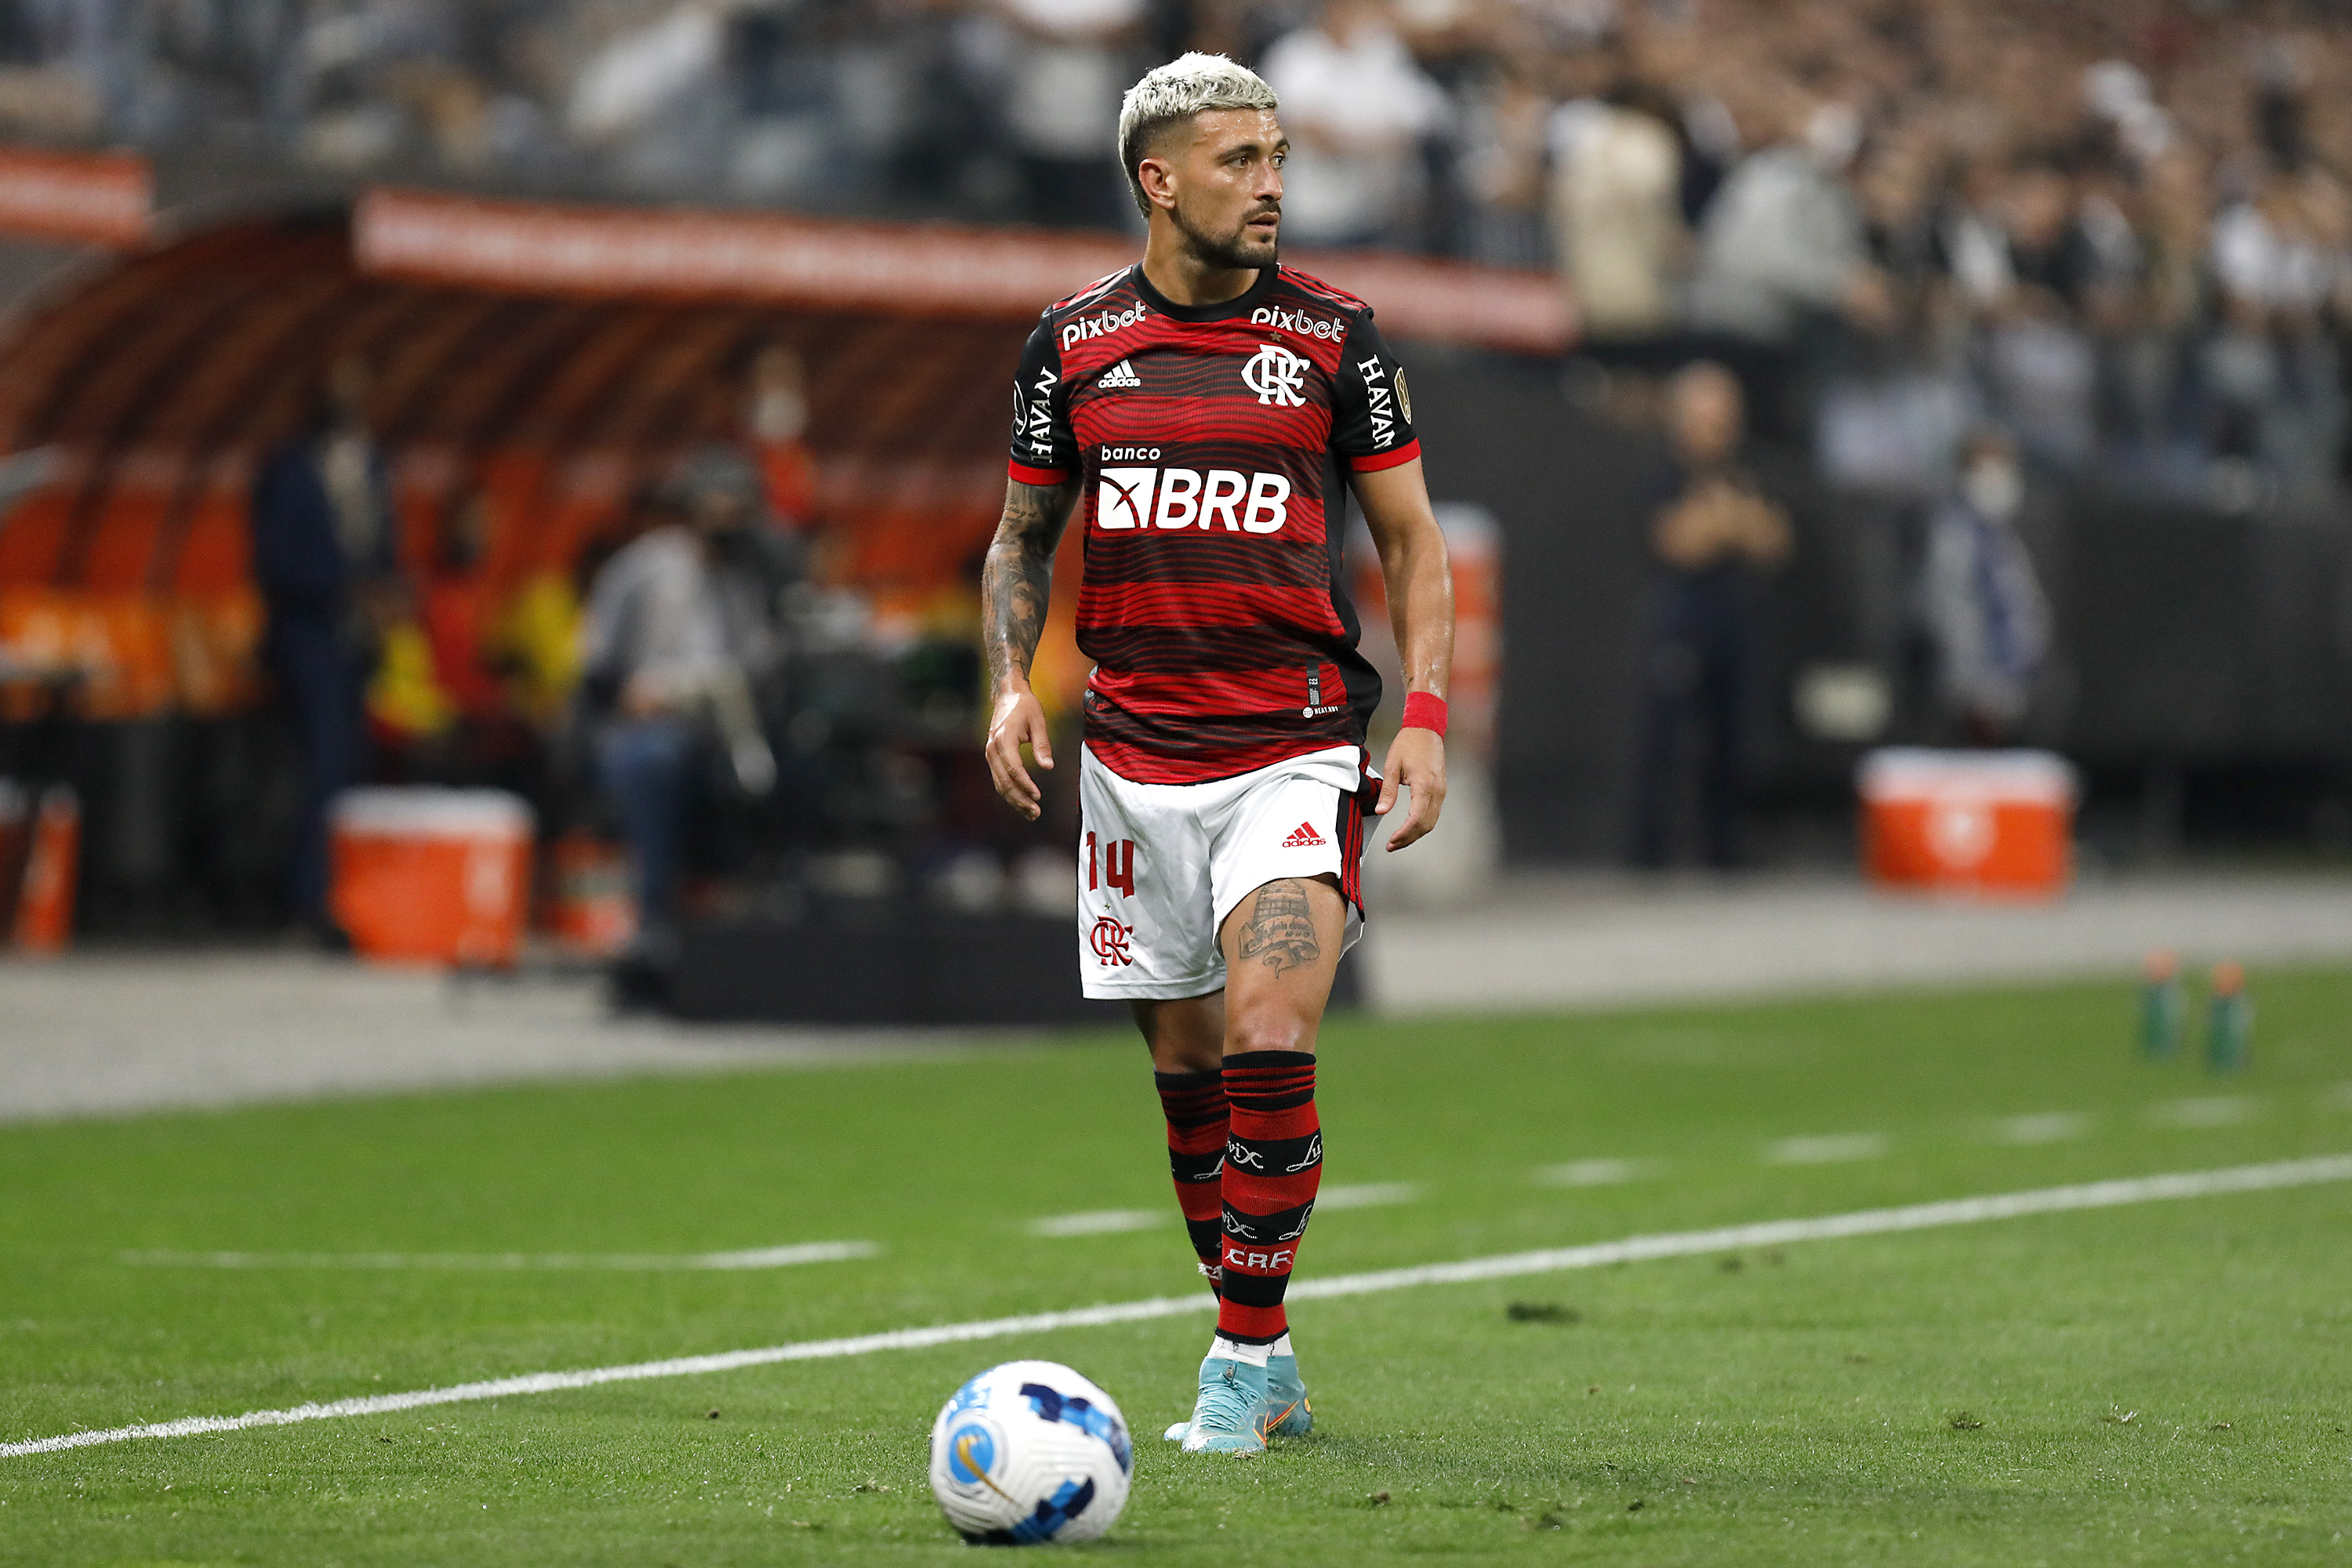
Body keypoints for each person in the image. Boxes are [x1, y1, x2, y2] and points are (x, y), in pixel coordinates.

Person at [980, 52, 1454, 1456]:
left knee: (1267, 1035)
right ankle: (1269, 1344)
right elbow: (1019, 538)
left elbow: (1412, 540)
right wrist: (1009, 686)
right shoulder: (1071, 343)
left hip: (1294, 748)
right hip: (1133, 761)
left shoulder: (1337, 337)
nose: (1271, 185)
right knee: (1188, 1078)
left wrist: (1424, 717)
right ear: (1160, 179)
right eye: (1240, 160)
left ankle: (1236, 1365)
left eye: (1279, 158)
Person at [578, 448, 793, 1001]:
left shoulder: (754, 581)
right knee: (656, 759)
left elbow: (770, 669)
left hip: (732, 730)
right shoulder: (644, 568)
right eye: (718, 502)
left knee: (796, 764)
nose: (727, 516)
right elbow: (596, 669)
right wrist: (634, 694)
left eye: (739, 505)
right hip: (649, 730)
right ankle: (653, 931)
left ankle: (770, 931)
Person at [252, 354, 400, 944]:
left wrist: (386, 594)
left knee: (346, 770)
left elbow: (382, 545)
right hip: (307, 641)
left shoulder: (370, 463)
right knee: (317, 770)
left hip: (357, 644)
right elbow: (275, 561)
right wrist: (344, 587)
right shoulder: (289, 468)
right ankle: (307, 902)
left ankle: (344, 896)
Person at [1628, 361, 1791, 871]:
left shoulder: (1754, 470)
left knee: (1735, 738)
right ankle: (1651, 857)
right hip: (1679, 621)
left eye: (1724, 419)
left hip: (1738, 621)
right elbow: (1678, 542)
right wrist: (1729, 522)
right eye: (1705, 419)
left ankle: (1727, 853)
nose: (1717, 432)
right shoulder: (1661, 473)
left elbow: (1774, 540)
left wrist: (1721, 522)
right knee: (1668, 740)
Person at [1919, 427, 2050, 746]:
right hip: (1974, 700)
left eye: (2003, 468)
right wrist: (1976, 688)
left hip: (2014, 692)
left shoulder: (2003, 539)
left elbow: (2022, 610)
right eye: (1986, 470)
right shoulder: (1953, 537)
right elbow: (1948, 614)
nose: (1997, 480)